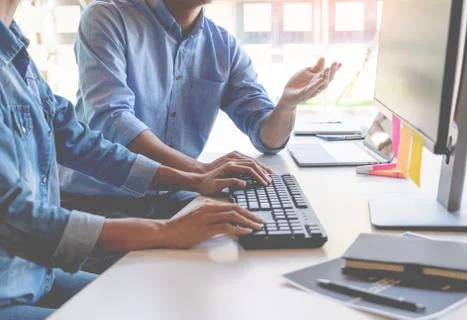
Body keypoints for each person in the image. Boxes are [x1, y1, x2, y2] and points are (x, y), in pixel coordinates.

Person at [0, 1, 265, 318]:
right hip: (8, 287)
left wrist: (193, 179)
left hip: (34, 274)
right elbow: (12, 219)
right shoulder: (106, 17)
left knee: (150, 303)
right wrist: (164, 231)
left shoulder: (15, 55)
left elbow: (81, 142)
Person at [60, 0, 340, 232]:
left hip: (172, 196)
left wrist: (287, 106)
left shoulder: (222, 45)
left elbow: (267, 138)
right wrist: (197, 171)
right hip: (99, 203)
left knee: (252, 242)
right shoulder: (107, 17)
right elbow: (112, 119)